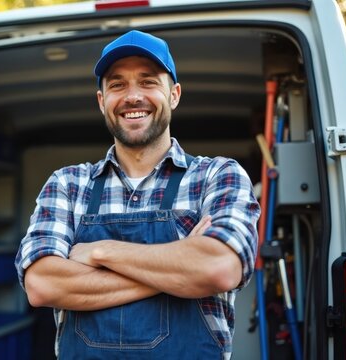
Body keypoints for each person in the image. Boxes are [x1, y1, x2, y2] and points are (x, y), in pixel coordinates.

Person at [15, 30, 260, 360]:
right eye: (117, 84)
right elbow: (43, 284)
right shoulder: (67, 185)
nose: (133, 96)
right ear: (102, 101)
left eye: (148, 82)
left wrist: (101, 251)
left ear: (173, 94)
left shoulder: (216, 176)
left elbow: (218, 269)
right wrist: (182, 268)